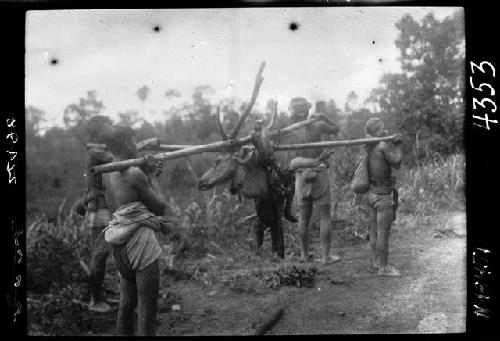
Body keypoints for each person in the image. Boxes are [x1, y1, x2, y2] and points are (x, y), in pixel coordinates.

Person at [101, 126, 168, 336]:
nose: (136, 145)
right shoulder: (134, 172)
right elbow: (159, 206)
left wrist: (148, 174)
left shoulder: (106, 171)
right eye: (133, 141)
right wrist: (152, 176)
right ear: (127, 144)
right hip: (140, 242)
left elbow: (125, 201)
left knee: (127, 303)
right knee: (148, 308)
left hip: (119, 239)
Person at [281, 97, 342, 264]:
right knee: (324, 216)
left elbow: (291, 159)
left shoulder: (290, 131)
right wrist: (323, 116)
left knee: (303, 216)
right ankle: (326, 256)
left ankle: (304, 254)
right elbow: (337, 128)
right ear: (307, 111)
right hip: (318, 172)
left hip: (301, 174)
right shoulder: (318, 125)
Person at [81, 115, 115, 313]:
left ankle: (98, 296)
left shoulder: (99, 151)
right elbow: (121, 156)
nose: (112, 131)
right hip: (99, 209)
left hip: (102, 207)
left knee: (101, 254)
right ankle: (95, 300)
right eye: (108, 128)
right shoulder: (96, 152)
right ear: (100, 132)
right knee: (100, 255)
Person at [364, 117, 403, 277]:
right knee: (382, 232)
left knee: (374, 230)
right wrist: (398, 146)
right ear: (375, 131)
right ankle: (384, 267)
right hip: (383, 195)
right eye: (381, 129)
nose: (384, 131)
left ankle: (375, 262)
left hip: (371, 193)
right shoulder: (381, 146)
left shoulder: (367, 145)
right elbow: (397, 162)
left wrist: (384, 135)